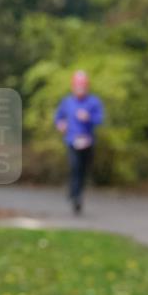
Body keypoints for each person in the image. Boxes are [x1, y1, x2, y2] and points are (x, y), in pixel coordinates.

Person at [54, 71, 104, 213]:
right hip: (72, 141)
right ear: (73, 87)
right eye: (78, 86)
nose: (80, 89)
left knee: (83, 171)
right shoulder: (67, 102)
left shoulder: (93, 102)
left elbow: (100, 119)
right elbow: (58, 117)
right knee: (74, 168)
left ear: (87, 87)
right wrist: (61, 124)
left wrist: (88, 117)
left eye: (83, 86)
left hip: (88, 142)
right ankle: (74, 195)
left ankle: (77, 195)